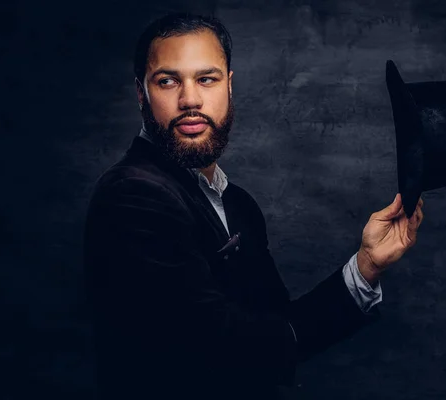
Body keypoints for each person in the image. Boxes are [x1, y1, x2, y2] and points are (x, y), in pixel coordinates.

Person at [83, 12, 424, 400]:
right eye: (168, 81)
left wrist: (366, 267)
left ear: (229, 86)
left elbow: (278, 328)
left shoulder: (237, 203)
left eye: (206, 79)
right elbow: (221, 348)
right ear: (141, 93)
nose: (190, 99)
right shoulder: (131, 196)